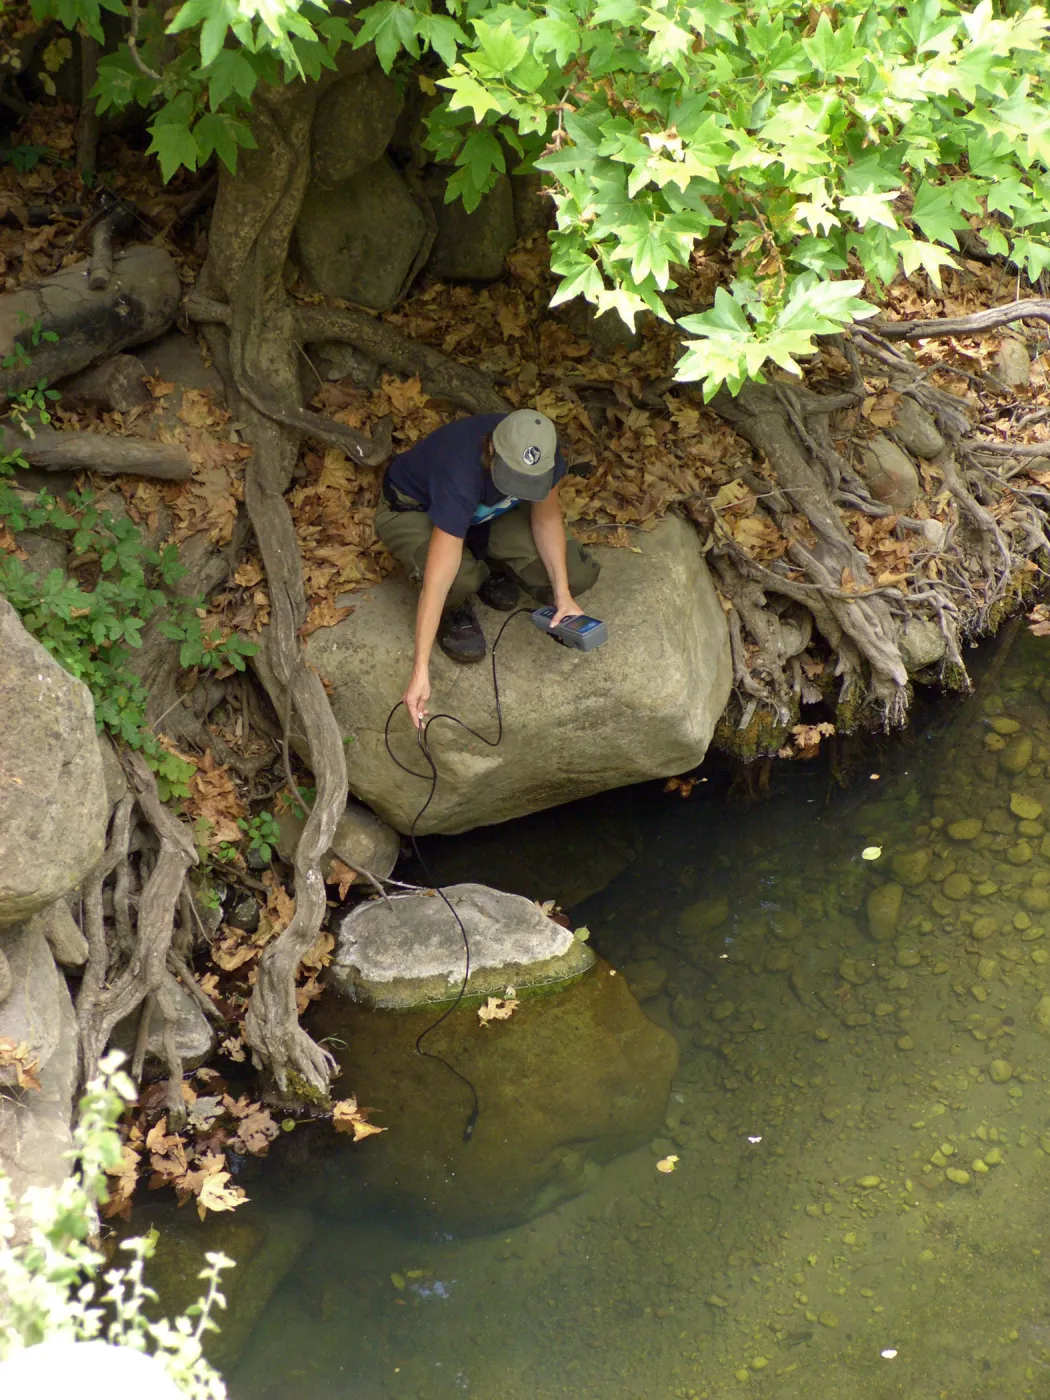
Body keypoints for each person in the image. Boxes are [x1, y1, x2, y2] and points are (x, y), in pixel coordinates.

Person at [374, 409, 600, 728]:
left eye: (527, 482)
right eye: (514, 478)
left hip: (484, 513)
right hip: (415, 509)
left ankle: (485, 557)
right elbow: (437, 582)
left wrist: (563, 595)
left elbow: (546, 517)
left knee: (577, 574)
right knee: (457, 578)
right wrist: (420, 671)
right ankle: (460, 601)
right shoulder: (459, 469)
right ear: (492, 449)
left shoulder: (543, 455)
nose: (520, 487)